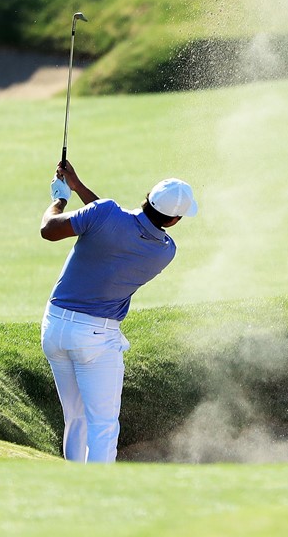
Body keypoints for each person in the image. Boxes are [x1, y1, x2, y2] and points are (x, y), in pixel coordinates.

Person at [38, 158, 199, 462]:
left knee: (76, 419)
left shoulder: (105, 212)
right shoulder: (165, 251)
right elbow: (113, 225)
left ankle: (75, 487)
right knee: (103, 426)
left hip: (54, 327)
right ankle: (99, 497)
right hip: (96, 339)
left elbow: (51, 229)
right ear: (174, 220)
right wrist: (78, 186)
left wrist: (60, 197)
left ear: (147, 197)